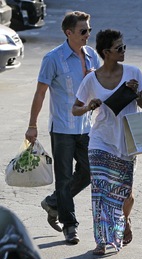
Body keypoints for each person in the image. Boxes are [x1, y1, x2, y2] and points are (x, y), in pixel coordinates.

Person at [25, 11, 100, 244]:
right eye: (83, 31)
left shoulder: (91, 56)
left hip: (86, 127)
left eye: (89, 29)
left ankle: (53, 203)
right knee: (64, 178)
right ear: (69, 33)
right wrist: (32, 126)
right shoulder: (53, 58)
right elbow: (40, 94)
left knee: (89, 172)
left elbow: (102, 85)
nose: (88, 34)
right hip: (63, 128)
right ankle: (70, 225)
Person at [72, 29, 142, 255]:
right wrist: (88, 106)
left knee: (125, 194)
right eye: (119, 48)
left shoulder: (133, 72)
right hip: (100, 141)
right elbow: (75, 109)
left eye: (124, 46)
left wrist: (137, 94)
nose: (124, 51)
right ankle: (102, 240)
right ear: (106, 52)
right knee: (100, 191)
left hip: (126, 141)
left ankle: (123, 221)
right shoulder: (91, 79)